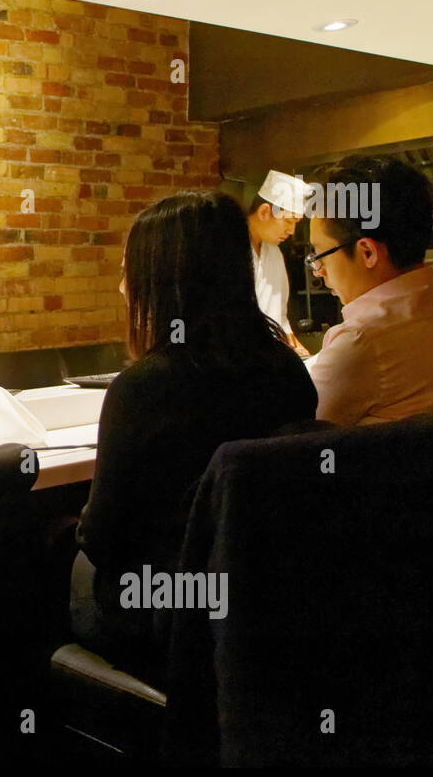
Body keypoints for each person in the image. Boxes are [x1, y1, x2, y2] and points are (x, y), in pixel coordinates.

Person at [74, 191, 318, 688]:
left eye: (130, 270)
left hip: (171, 616)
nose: (123, 286)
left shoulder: (141, 389)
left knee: (45, 563)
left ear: (159, 281)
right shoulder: (288, 372)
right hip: (268, 606)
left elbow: (102, 538)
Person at [305, 155, 433, 425]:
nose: (319, 270)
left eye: (321, 254)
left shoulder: (359, 343)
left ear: (367, 252)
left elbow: (296, 446)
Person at [248, 170, 311, 355]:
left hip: (270, 355)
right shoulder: (226, 247)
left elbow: (279, 317)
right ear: (264, 211)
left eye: (296, 223)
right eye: (288, 221)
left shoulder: (274, 253)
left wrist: (298, 350)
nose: (291, 231)